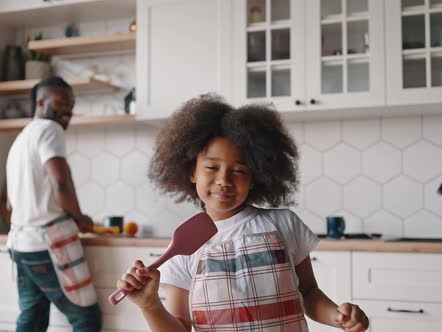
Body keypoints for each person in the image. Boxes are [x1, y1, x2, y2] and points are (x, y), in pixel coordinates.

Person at [116, 95, 369, 331]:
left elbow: (310, 294)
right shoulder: (182, 248)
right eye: (212, 167)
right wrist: (150, 305)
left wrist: (338, 316)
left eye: (238, 170)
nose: (224, 180)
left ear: (256, 176)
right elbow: (180, 326)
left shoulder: (284, 224)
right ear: (191, 171)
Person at [6, 76, 102, 331]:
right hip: (45, 243)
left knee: (33, 318)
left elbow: (11, 200)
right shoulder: (50, 129)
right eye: (61, 102)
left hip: (20, 244)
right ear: (40, 101)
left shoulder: (21, 138)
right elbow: (60, 181)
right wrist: (80, 218)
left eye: (71, 103)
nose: (68, 108)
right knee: (86, 318)